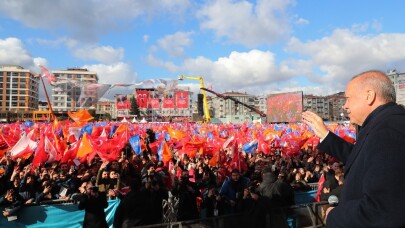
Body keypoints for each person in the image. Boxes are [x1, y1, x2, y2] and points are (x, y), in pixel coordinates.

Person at [302, 70, 405, 227]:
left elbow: (382, 210)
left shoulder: (389, 129)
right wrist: (326, 135)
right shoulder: (382, 124)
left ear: (369, 96)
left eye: (348, 99)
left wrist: (334, 215)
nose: (345, 106)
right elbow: (363, 158)